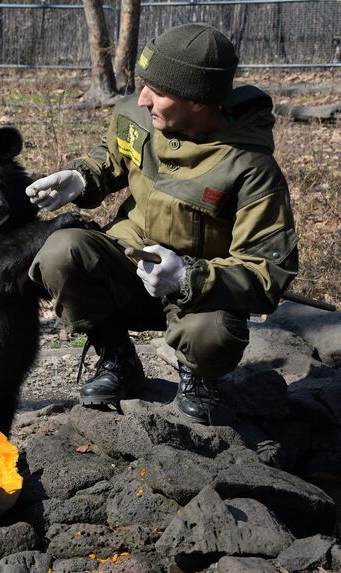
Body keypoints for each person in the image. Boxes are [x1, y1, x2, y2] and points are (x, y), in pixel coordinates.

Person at [25, 23, 299, 425]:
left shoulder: (250, 167)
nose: (143, 98)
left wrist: (187, 278)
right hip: (127, 267)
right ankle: (117, 359)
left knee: (215, 332)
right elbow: (114, 157)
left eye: (160, 92)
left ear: (200, 102)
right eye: (144, 84)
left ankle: (198, 376)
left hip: (196, 295)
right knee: (60, 252)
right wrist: (83, 177)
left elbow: (268, 271)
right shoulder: (141, 117)